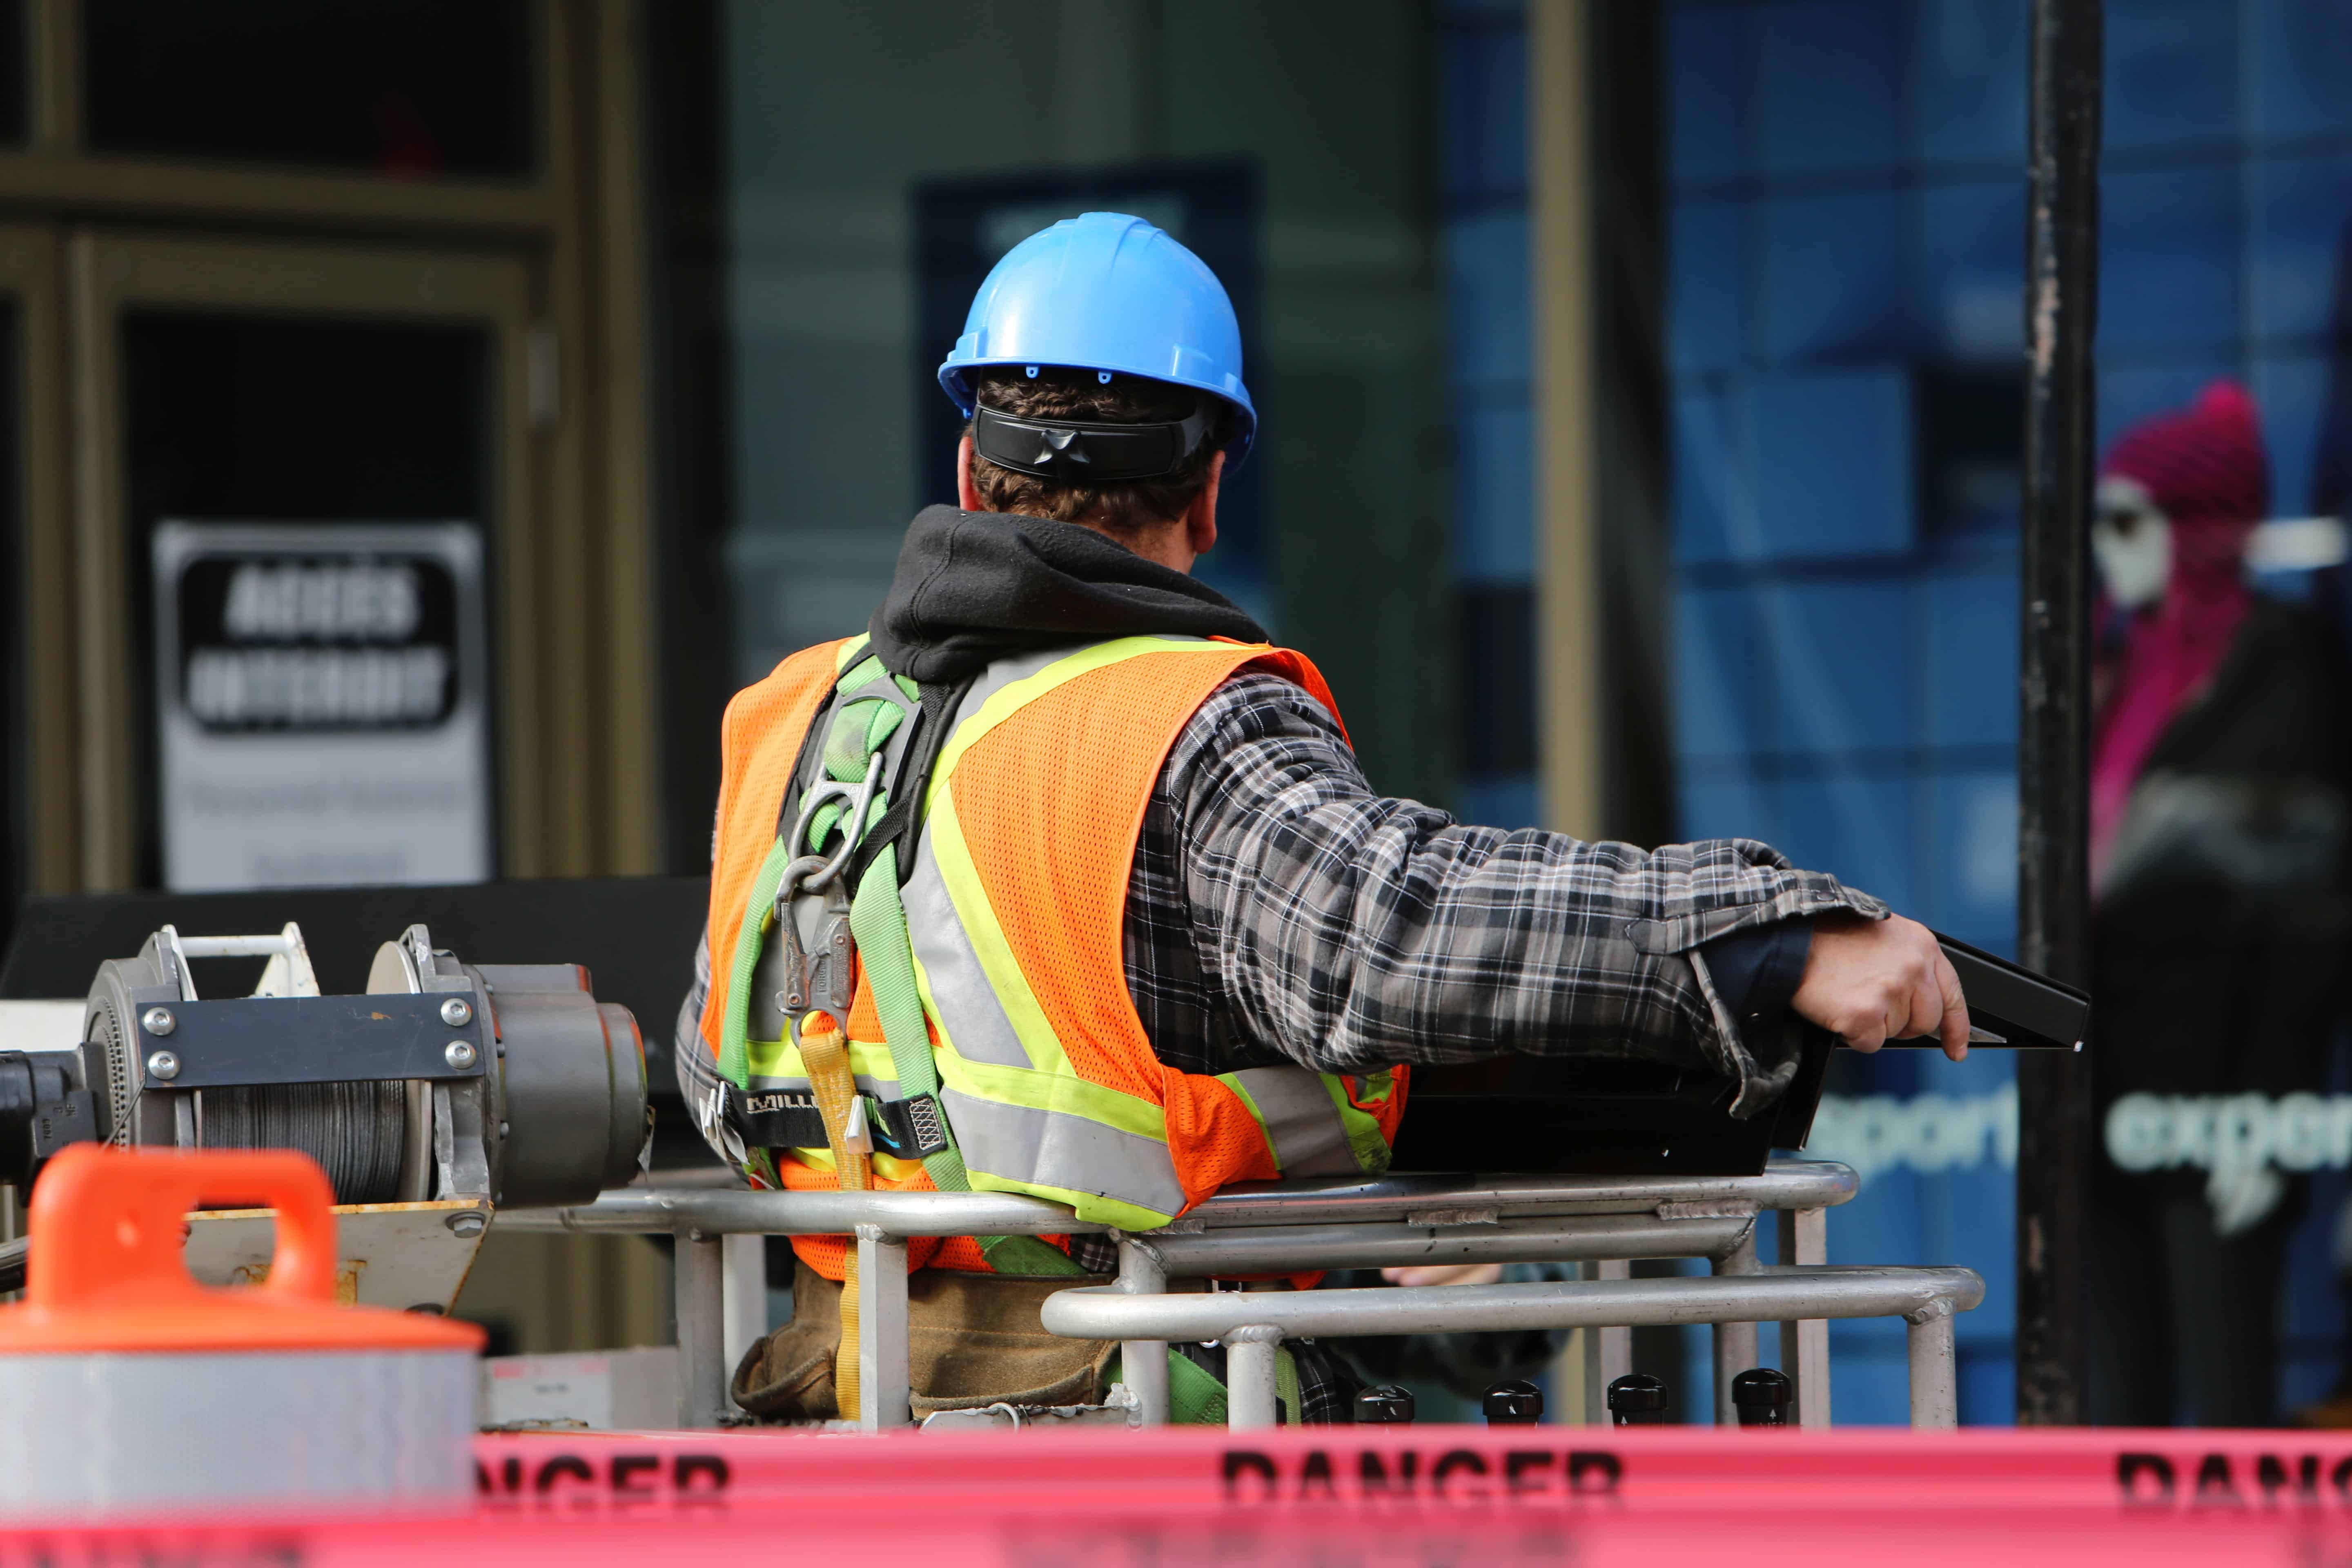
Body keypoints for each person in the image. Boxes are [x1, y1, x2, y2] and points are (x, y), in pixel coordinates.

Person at [674, 212, 1969, 1425]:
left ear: (966, 463)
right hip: (1130, 1439)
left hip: (839, 1421)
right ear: (1212, 490)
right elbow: (1383, 932)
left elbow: (716, 1055)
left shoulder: (792, 722)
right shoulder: (1177, 721)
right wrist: (1771, 937)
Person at [2083, 381, 2352, 1427]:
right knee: (2119, 1399)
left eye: (2126, 520)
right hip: (2103, 1079)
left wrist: (2267, 1110)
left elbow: (2311, 909)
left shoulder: (2283, 667)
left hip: (2223, 1084)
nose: (2108, 548)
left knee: (2229, 1388)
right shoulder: (2109, 666)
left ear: (2195, 524)